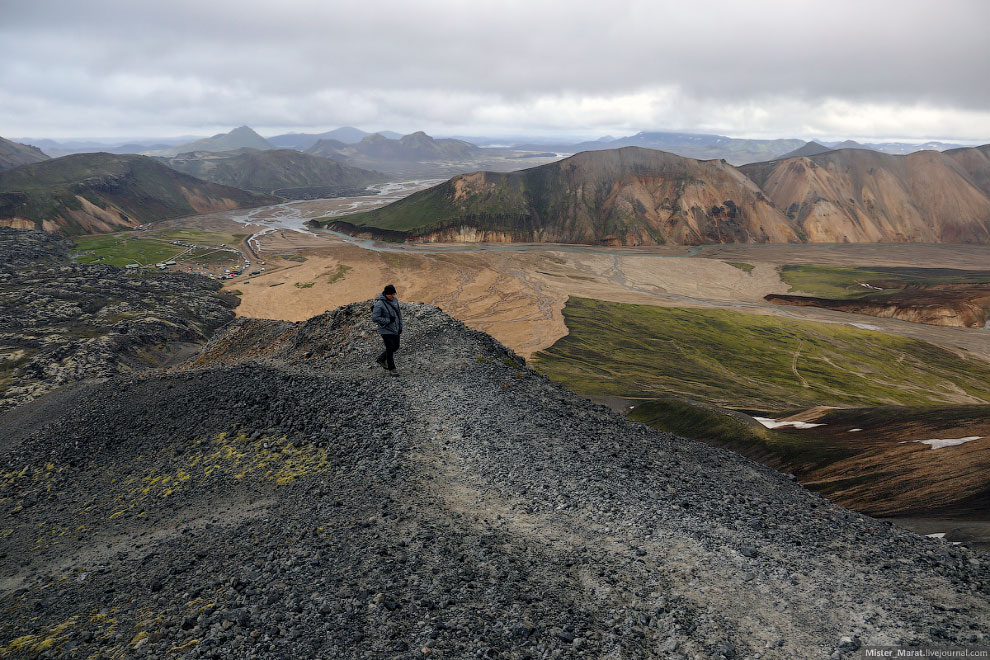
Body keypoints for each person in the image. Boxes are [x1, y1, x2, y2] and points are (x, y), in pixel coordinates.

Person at [372, 284, 403, 376]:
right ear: (386, 294)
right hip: (385, 330)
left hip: (395, 329)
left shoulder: (395, 300)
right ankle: (392, 369)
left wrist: (400, 326)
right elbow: (375, 318)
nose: (393, 296)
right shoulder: (379, 304)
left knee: (396, 346)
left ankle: (381, 359)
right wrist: (388, 320)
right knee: (389, 348)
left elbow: (399, 314)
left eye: (394, 294)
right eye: (391, 295)